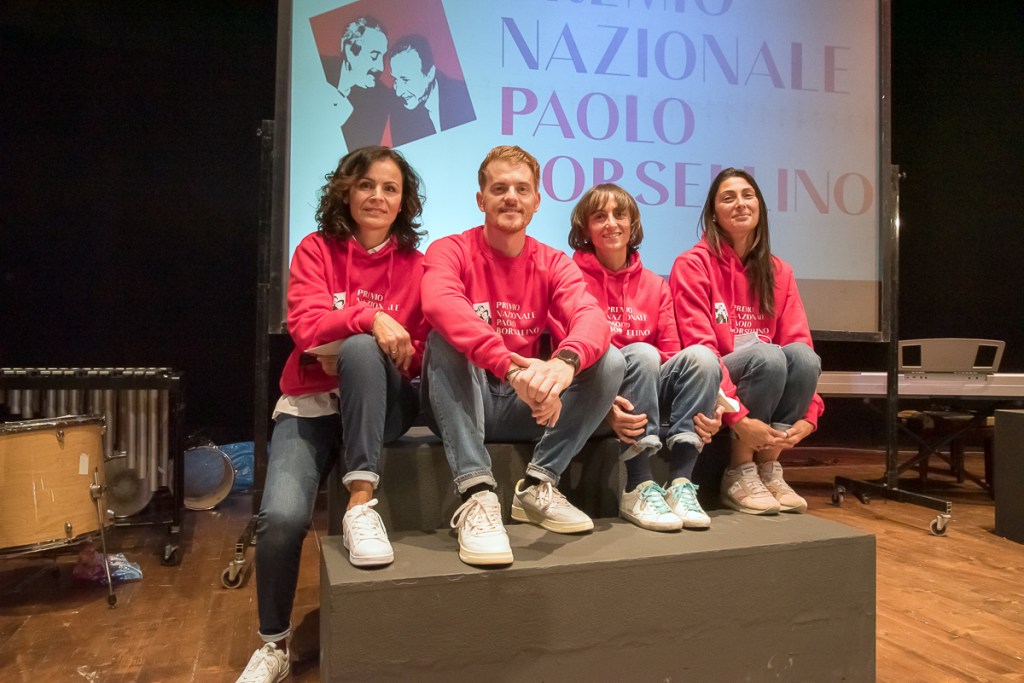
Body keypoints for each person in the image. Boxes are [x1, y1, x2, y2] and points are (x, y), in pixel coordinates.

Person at [237, 147, 428, 683]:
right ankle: (273, 644)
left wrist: (353, 340)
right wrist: (372, 320)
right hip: (312, 405)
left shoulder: (419, 266)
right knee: (281, 520)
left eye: (390, 188)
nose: (377, 196)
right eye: (366, 185)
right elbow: (306, 328)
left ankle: (360, 505)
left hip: (383, 405)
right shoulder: (315, 249)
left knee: (361, 351)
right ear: (346, 191)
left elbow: (418, 350)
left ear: (403, 203)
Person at [421, 145, 624, 567]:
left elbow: (592, 318)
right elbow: (441, 305)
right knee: (444, 339)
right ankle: (478, 494)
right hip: (465, 394)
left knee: (611, 361)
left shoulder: (553, 262)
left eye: (521, 189)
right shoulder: (450, 249)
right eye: (499, 189)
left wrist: (562, 366)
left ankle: (538, 484)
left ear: (536, 201)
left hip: (524, 404)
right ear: (481, 200)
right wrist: (511, 367)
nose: (511, 197)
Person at [564, 184, 724, 531]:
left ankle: (681, 483)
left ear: (632, 223)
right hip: (594, 391)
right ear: (585, 228)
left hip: (647, 385)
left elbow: (671, 353)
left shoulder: (655, 285)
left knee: (702, 358)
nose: (611, 223)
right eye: (600, 216)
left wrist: (712, 401)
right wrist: (604, 406)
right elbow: (564, 355)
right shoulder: (569, 278)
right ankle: (637, 485)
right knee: (641, 352)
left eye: (619, 215)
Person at [670, 168, 823, 516]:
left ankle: (768, 467)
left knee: (803, 357)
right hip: (719, 379)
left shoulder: (779, 271)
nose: (740, 203)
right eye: (728, 198)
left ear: (760, 207)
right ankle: (739, 469)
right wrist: (737, 416)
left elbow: (799, 341)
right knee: (767, 356)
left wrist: (810, 416)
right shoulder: (693, 264)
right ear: (713, 214)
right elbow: (702, 349)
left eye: (747, 195)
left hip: (766, 369)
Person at [386, 34, 476, 147]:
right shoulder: (399, 112)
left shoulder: (463, 94)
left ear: (429, 74)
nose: (398, 92)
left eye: (406, 80)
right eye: (395, 79)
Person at [332, 16, 394, 151]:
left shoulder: (381, 99)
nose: (381, 67)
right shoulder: (317, 71)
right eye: (374, 55)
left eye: (383, 57)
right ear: (349, 51)